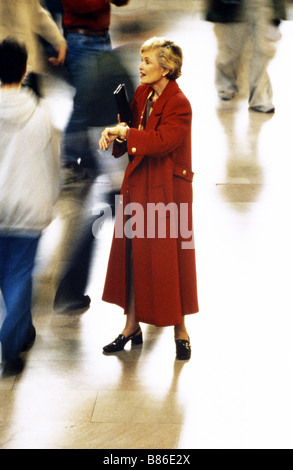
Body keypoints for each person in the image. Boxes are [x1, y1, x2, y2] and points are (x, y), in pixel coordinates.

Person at [99, 37, 199, 361]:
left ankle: (180, 331)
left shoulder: (179, 104)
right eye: (141, 60)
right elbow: (132, 131)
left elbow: (161, 142)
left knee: (171, 262)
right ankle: (131, 326)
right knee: (132, 255)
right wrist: (115, 131)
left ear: (166, 68)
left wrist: (127, 135)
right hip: (139, 184)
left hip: (168, 193)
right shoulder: (143, 94)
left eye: (147, 61)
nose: (140, 67)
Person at [0, 38, 61, 374]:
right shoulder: (41, 116)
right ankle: (13, 341)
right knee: (20, 277)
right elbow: (53, 164)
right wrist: (51, 199)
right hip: (27, 210)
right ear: (25, 71)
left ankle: (19, 330)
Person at [60, 0, 130, 183]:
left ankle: (87, 158)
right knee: (84, 104)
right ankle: (69, 162)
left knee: (101, 101)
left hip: (101, 38)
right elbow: (83, 5)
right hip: (81, 41)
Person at [206, 0, 286, 112]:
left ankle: (260, 100)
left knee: (261, 52)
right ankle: (226, 87)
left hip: (261, 5)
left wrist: (277, 17)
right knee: (231, 52)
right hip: (234, 7)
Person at [0, 0, 67, 97]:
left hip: (26, 64)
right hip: (8, 64)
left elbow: (37, 15)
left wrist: (58, 41)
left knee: (31, 107)